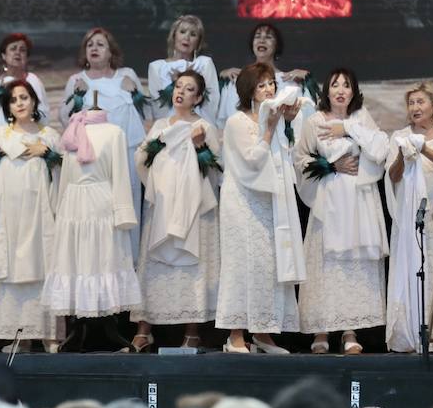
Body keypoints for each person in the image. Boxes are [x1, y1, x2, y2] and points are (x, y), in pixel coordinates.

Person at [295, 67, 389, 354]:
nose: (340, 90)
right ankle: (321, 331)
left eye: (346, 85)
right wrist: (330, 166)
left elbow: (381, 148)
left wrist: (347, 128)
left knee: (352, 265)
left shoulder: (360, 118)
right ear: (327, 91)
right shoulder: (314, 121)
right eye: (335, 85)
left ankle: (350, 330)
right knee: (327, 265)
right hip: (329, 201)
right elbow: (300, 159)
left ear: (353, 91)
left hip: (358, 202)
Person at [129, 69, 221, 352]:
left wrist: (199, 147)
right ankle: (145, 328)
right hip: (165, 205)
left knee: (193, 266)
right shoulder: (160, 125)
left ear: (199, 97)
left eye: (189, 88)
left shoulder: (205, 127)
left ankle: (192, 330)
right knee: (155, 265)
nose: (181, 91)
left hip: (194, 209)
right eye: (178, 86)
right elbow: (142, 160)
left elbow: (216, 170)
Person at [215, 63, 305, 354]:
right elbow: (252, 160)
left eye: (271, 84)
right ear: (248, 90)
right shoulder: (237, 122)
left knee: (268, 266)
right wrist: (269, 130)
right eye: (261, 85)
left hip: (269, 201)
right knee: (242, 265)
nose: (268, 89)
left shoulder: (273, 118)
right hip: (242, 201)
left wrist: (285, 123)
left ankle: (264, 335)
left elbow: (284, 158)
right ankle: (235, 336)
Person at [0, 78, 62, 354]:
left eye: (24, 97)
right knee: (12, 269)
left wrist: (46, 152)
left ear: (34, 101)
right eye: (14, 100)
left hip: (40, 216)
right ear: (8, 107)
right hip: (8, 217)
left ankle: (50, 336)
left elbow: (64, 173)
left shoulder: (49, 135)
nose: (20, 103)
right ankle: (20, 337)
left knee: (42, 266)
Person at [41, 104, 142, 324]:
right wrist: (60, 208)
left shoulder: (114, 132)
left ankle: (102, 317)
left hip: (100, 201)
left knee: (102, 257)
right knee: (75, 259)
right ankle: (80, 321)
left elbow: (121, 174)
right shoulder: (74, 129)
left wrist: (123, 211)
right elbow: (67, 171)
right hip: (73, 202)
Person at [384, 81, 433, 352]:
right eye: (411, 103)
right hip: (411, 217)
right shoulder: (399, 135)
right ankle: (411, 331)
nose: (415, 107)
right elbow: (392, 177)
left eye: (420, 102)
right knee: (413, 270)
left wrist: (424, 148)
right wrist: (402, 156)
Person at [59, 28, 149, 252]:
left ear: (111, 52)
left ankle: (130, 259)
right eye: (90, 45)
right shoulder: (77, 80)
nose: (94, 48)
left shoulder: (126, 74)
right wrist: (78, 98)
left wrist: (134, 92)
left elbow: (145, 113)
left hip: (125, 153)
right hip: (92, 157)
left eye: (100, 44)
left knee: (125, 201)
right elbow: (64, 118)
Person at [216, 21, 316, 124]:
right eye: (258, 36)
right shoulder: (236, 80)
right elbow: (223, 123)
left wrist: (308, 79)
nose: (262, 40)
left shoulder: (290, 83)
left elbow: (306, 121)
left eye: (268, 37)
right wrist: (221, 76)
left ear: (277, 45)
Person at [146, 14, 221, 126]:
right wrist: (174, 84)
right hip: (169, 127)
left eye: (193, 34)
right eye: (182, 32)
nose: (187, 37)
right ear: (174, 36)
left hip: (199, 125)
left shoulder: (205, 64)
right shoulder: (156, 67)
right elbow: (158, 107)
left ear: (198, 42)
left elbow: (212, 101)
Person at [0, 33, 49, 136]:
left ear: (27, 57)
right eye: (13, 49)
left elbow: (44, 115)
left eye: (22, 50)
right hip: (0, 145)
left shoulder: (33, 81)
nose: (17, 52)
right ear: (4, 55)